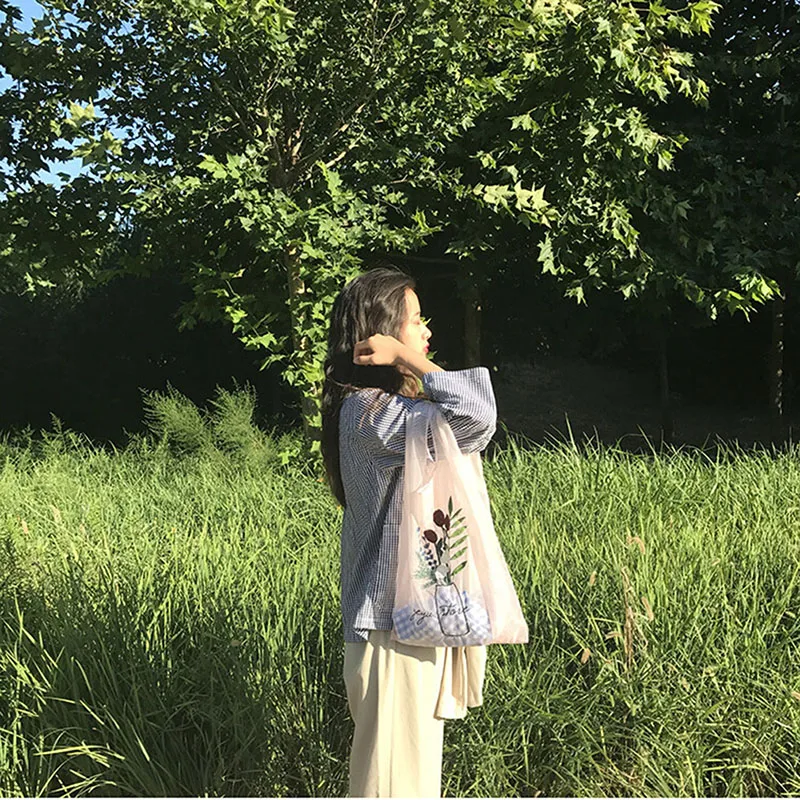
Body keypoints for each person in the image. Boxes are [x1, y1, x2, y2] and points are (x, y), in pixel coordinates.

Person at [321, 265, 498, 798]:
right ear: (380, 333)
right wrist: (407, 359)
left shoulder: (397, 414)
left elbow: (469, 423)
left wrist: (407, 360)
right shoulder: (372, 415)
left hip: (408, 624)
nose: (426, 331)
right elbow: (477, 416)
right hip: (391, 631)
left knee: (408, 784)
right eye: (415, 321)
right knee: (393, 788)